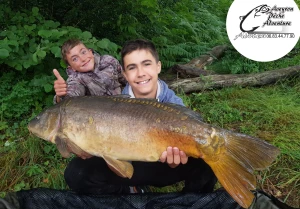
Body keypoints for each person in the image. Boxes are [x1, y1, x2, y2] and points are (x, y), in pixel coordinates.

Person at [54, 39, 217, 194]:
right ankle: (128, 192)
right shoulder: (117, 106)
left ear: (158, 67)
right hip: (132, 164)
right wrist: (62, 95)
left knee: (211, 157)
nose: (140, 73)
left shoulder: (173, 103)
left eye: (146, 64)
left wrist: (176, 159)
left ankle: (190, 206)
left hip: (165, 163)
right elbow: (72, 101)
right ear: (124, 74)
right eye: (132, 68)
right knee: (77, 173)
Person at [53, 39, 126, 103]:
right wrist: (60, 96)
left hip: (126, 103)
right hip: (100, 115)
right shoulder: (76, 79)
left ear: (90, 52)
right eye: (75, 59)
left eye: (83, 52)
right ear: (72, 68)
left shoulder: (109, 61)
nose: (83, 59)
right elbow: (70, 97)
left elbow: (125, 78)